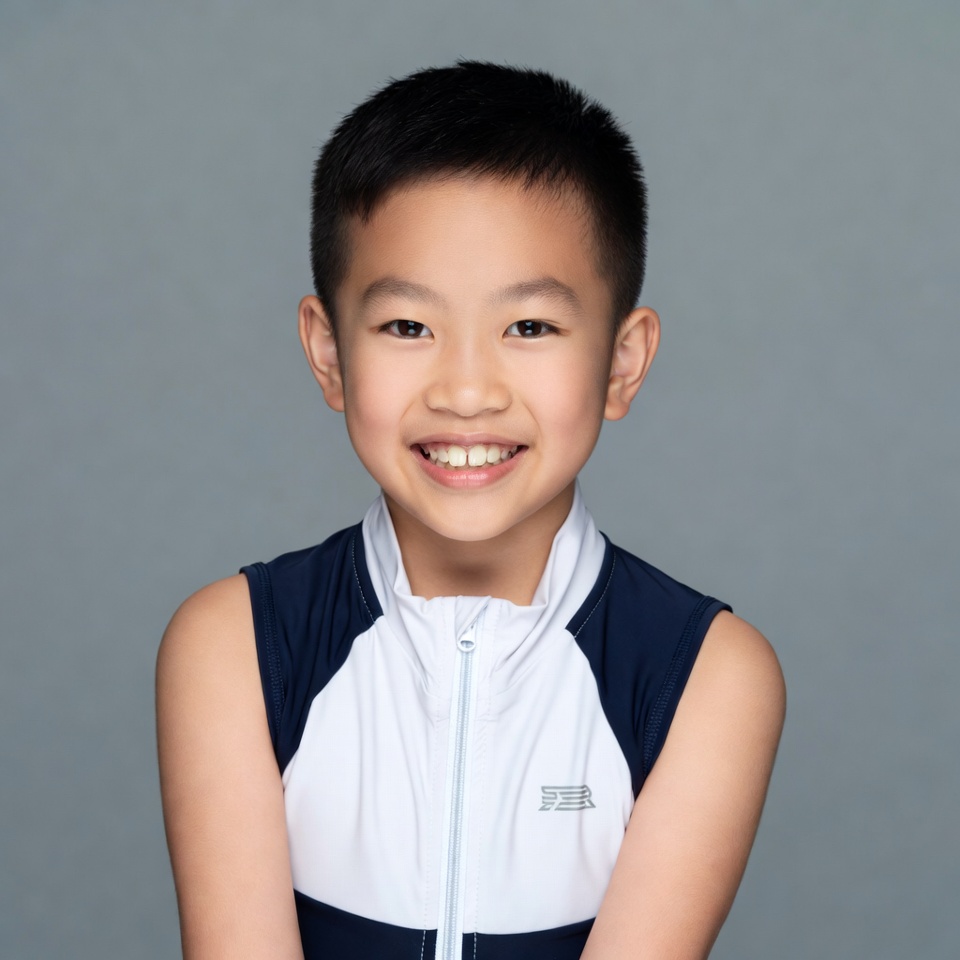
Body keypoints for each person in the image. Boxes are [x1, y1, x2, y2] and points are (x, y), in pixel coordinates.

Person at [156, 61, 786, 960]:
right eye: (408, 327)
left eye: (529, 327)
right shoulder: (237, 648)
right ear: (329, 354)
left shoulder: (705, 676)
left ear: (622, 363)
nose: (465, 390)